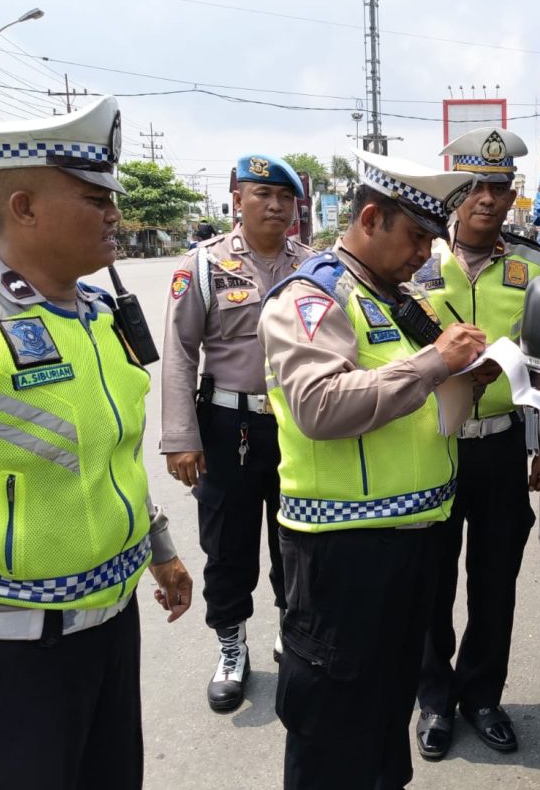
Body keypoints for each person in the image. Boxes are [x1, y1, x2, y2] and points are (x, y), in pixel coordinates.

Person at [0, 96, 193, 790]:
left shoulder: (96, 317)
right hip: (6, 665)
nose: (116, 214)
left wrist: (160, 549)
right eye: (95, 198)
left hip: (110, 640)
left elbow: (108, 452)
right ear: (24, 207)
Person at [258, 149, 487, 789]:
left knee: (384, 724)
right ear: (369, 218)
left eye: (431, 239)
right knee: (331, 737)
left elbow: (422, 407)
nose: (425, 252)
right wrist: (435, 364)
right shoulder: (313, 297)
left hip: (412, 545)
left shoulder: (399, 301)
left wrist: (470, 377)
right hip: (341, 558)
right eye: (416, 236)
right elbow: (319, 404)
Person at [413, 127, 540, 759]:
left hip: (504, 443)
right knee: (430, 577)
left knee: (496, 577)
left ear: (513, 198)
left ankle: (481, 695)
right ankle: (432, 699)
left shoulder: (533, 264)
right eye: (475, 186)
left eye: (500, 188)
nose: (487, 199)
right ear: (454, 190)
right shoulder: (418, 258)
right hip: (431, 443)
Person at [162, 154, 313, 712]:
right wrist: (181, 435)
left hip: (299, 425)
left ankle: (288, 629)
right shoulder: (203, 265)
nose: (275, 206)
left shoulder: (314, 265)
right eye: (261, 195)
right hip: (230, 425)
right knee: (227, 543)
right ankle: (230, 644)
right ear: (237, 200)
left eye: (284, 198)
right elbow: (179, 351)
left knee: (297, 537)